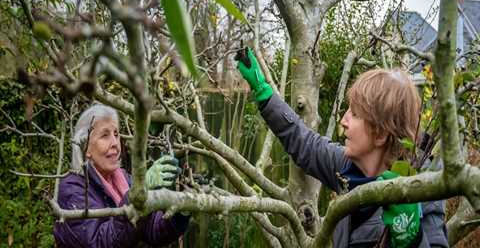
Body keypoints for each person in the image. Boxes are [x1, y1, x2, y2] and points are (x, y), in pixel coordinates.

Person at [236, 48, 448, 248]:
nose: (344, 120)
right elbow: (306, 144)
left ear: (381, 134)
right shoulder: (347, 170)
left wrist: (412, 240)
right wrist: (264, 93)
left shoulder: (422, 195)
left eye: (355, 114)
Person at [53, 103, 189, 247]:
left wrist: (182, 211)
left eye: (116, 134)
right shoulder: (72, 189)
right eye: (105, 135)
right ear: (86, 147)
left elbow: (152, 231)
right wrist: (139, 189)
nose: (115, 143)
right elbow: (101, 243)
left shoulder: (123, 179)